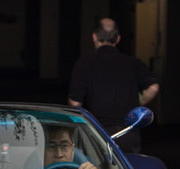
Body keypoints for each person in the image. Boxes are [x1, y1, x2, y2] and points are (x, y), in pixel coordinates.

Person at [68, 18, 159, 154]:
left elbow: (75, 103)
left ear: (94, 37)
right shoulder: (133, 63)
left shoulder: (84, 64)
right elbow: (153, 87)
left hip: (96, 134)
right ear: (118, 39)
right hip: (128, 133)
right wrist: (139, 102)